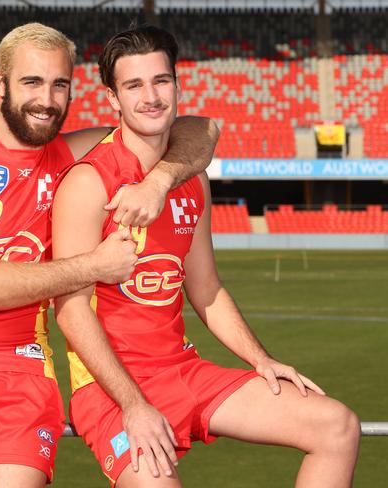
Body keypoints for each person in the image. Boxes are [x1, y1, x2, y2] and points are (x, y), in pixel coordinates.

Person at [0, 23, 218, 488]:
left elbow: (200, 129)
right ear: (0, 84)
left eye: (59, 84)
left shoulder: (70, 154)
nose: (46, 99)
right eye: (31, 82)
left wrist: (159, 180)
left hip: (25, 372)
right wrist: (93, 267)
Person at [52, 25, 360, 488]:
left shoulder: (192, 179)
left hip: (182, 370)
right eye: (134, 85)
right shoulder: (88, 182)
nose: (151, 96)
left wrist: (261, 359)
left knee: (337, 426)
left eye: (161, 81)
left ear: (177, 86)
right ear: (113, 99)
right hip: (109, 390)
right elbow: (71, 312)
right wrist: (134, 406)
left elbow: (206, 288)